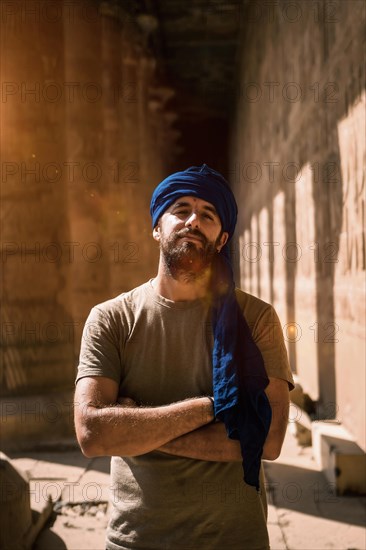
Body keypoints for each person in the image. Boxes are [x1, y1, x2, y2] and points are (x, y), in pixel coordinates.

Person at [74, 164, 294, 550]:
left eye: (208, 215)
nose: (193, 220)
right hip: (136, 540)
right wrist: (214, 408)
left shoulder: (256, 319)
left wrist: (136, 431)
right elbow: (93, 434)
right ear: (157, 227)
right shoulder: (110, 319)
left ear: (222, 238)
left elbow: (269, 440)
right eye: (180, 209)